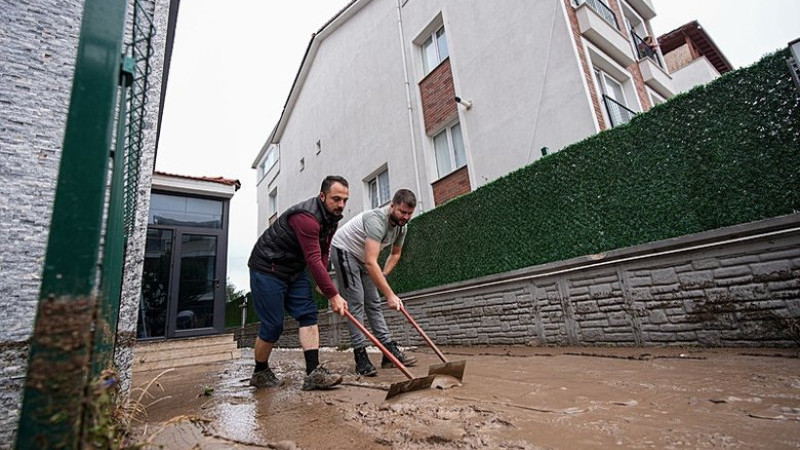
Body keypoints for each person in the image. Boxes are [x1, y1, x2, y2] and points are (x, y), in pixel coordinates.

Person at [247, 175, 350, 390]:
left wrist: (323, 283)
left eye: (345, 200)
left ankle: (313, 374)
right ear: (322, 196)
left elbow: (323, 251)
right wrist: (333, 295)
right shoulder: (306, 218)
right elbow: (312, 258)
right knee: (273, 325)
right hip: (267, 267)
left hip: (294, 270)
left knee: (308, 315)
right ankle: (260, 371)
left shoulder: (331, 218)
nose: (341, 205)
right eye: (336, 199)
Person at [330, 189, 418, 376]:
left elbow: (395, 254)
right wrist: (390, 294)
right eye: (402, 212)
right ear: (392, 206)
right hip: (344, 250)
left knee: (374, 303)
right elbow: (371, 262)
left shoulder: (402, 227)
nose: (406, 217)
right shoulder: (376, 220)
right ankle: (360, 357)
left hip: (363, 258)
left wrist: (383, 276)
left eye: (409, 213)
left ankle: (388, 352)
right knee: (356, 302)